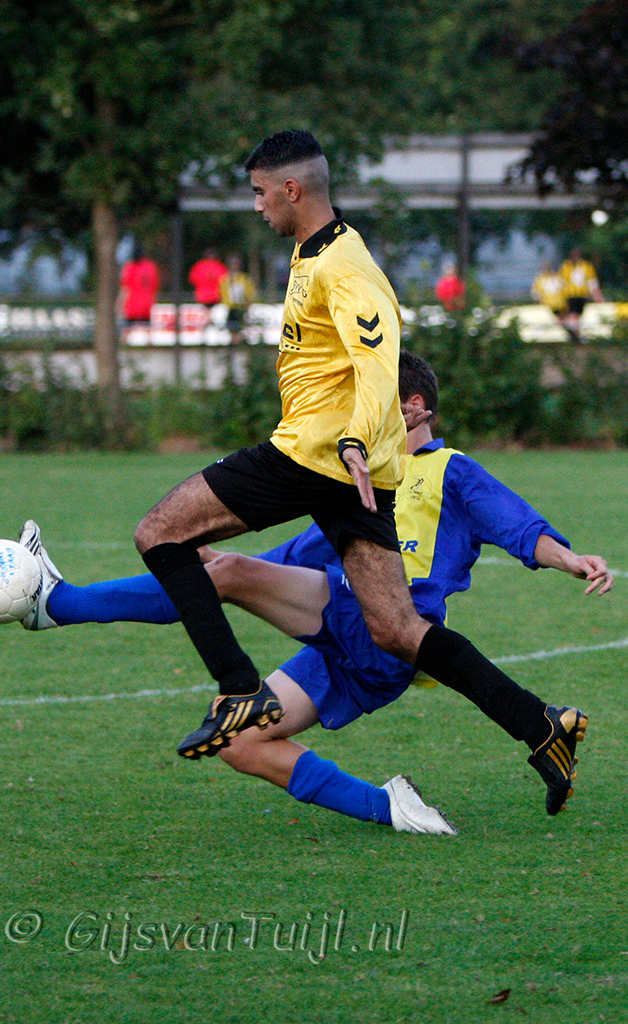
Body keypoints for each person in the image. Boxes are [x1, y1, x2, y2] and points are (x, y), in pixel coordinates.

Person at [128, 129, 588, 817]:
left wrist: (351, 439)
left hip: (311, 455)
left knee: (160, 532)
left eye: (259, 192)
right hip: (345, 468)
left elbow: (379, 364)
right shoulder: (311, 254)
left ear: (292, 189)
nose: (256, 206)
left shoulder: (346, 265)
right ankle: (541, 725)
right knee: (396, 628)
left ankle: (238, 687)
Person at [17, 352, 613, 825]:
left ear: (413, 407)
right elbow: (288, 563)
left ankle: (59, 603)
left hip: (386, 626)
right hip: (348, 639)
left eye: (370, 400)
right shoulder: (352, 481)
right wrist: (218, 565)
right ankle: (392, 809)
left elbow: (518, 527)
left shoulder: (448, 469)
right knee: (240, 743)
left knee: (224, 575)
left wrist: (569, 559)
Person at [559, 248, 604, 343]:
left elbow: (592, 282)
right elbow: (561, 282)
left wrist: (597, 295)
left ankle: (575, 335)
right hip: (570, 295)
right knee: (574, 314)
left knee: (576, 316)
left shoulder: (586, 266)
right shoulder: (566, 266)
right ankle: (575, 334)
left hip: (581, 295)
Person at [118, 244, 160, 324]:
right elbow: (155, 289)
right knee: (146, 328)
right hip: (147, 307)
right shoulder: (151, 267)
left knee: (128, 328)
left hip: (132, 307)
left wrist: (120, 306)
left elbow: (125, 290)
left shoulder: (130, 267)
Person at [220, 254, 257, 343]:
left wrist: (247, 302)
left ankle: (239, 342)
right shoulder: (225, 279)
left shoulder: (244, 279)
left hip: (242, 308)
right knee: (232, 329)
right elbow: (222, 293)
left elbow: (250, 292)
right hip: (231, 308)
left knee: (242, 328)